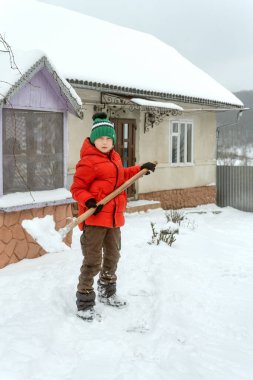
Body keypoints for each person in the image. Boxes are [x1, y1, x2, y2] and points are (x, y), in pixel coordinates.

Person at [70, 112, 156, 321]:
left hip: (114, 219)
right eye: (101, 138)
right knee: (92, 260)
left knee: (112, 256)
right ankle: (85, 301)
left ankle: (107, 291)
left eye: (109, 138)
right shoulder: (88, 162)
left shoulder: (115, 158)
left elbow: (122, 176)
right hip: (95, 220)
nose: (105, 142)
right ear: (93, 139)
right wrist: (89, 200)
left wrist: (140, 169)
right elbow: (77, 188)